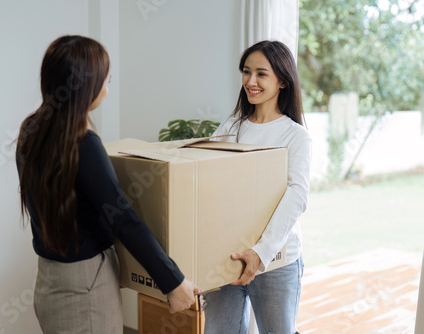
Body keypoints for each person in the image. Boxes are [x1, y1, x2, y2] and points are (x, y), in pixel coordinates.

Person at [16, 35, 200, 334]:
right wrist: (173, 282)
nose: (108, 85)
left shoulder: (31, 130)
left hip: (49, 277)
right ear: (84, 85)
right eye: (105, 78)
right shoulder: (82, 143)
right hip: (85, 284)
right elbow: (123, 218)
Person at [203, 40, 311, 334]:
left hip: (276, 261)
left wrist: (261, 253)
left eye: (261, 74)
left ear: (283, 81)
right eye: (246, 72)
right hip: (228, 255)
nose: (250, 81)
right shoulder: (231, 127)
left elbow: (296, 197)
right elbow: (207, 178)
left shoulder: (295, 136)